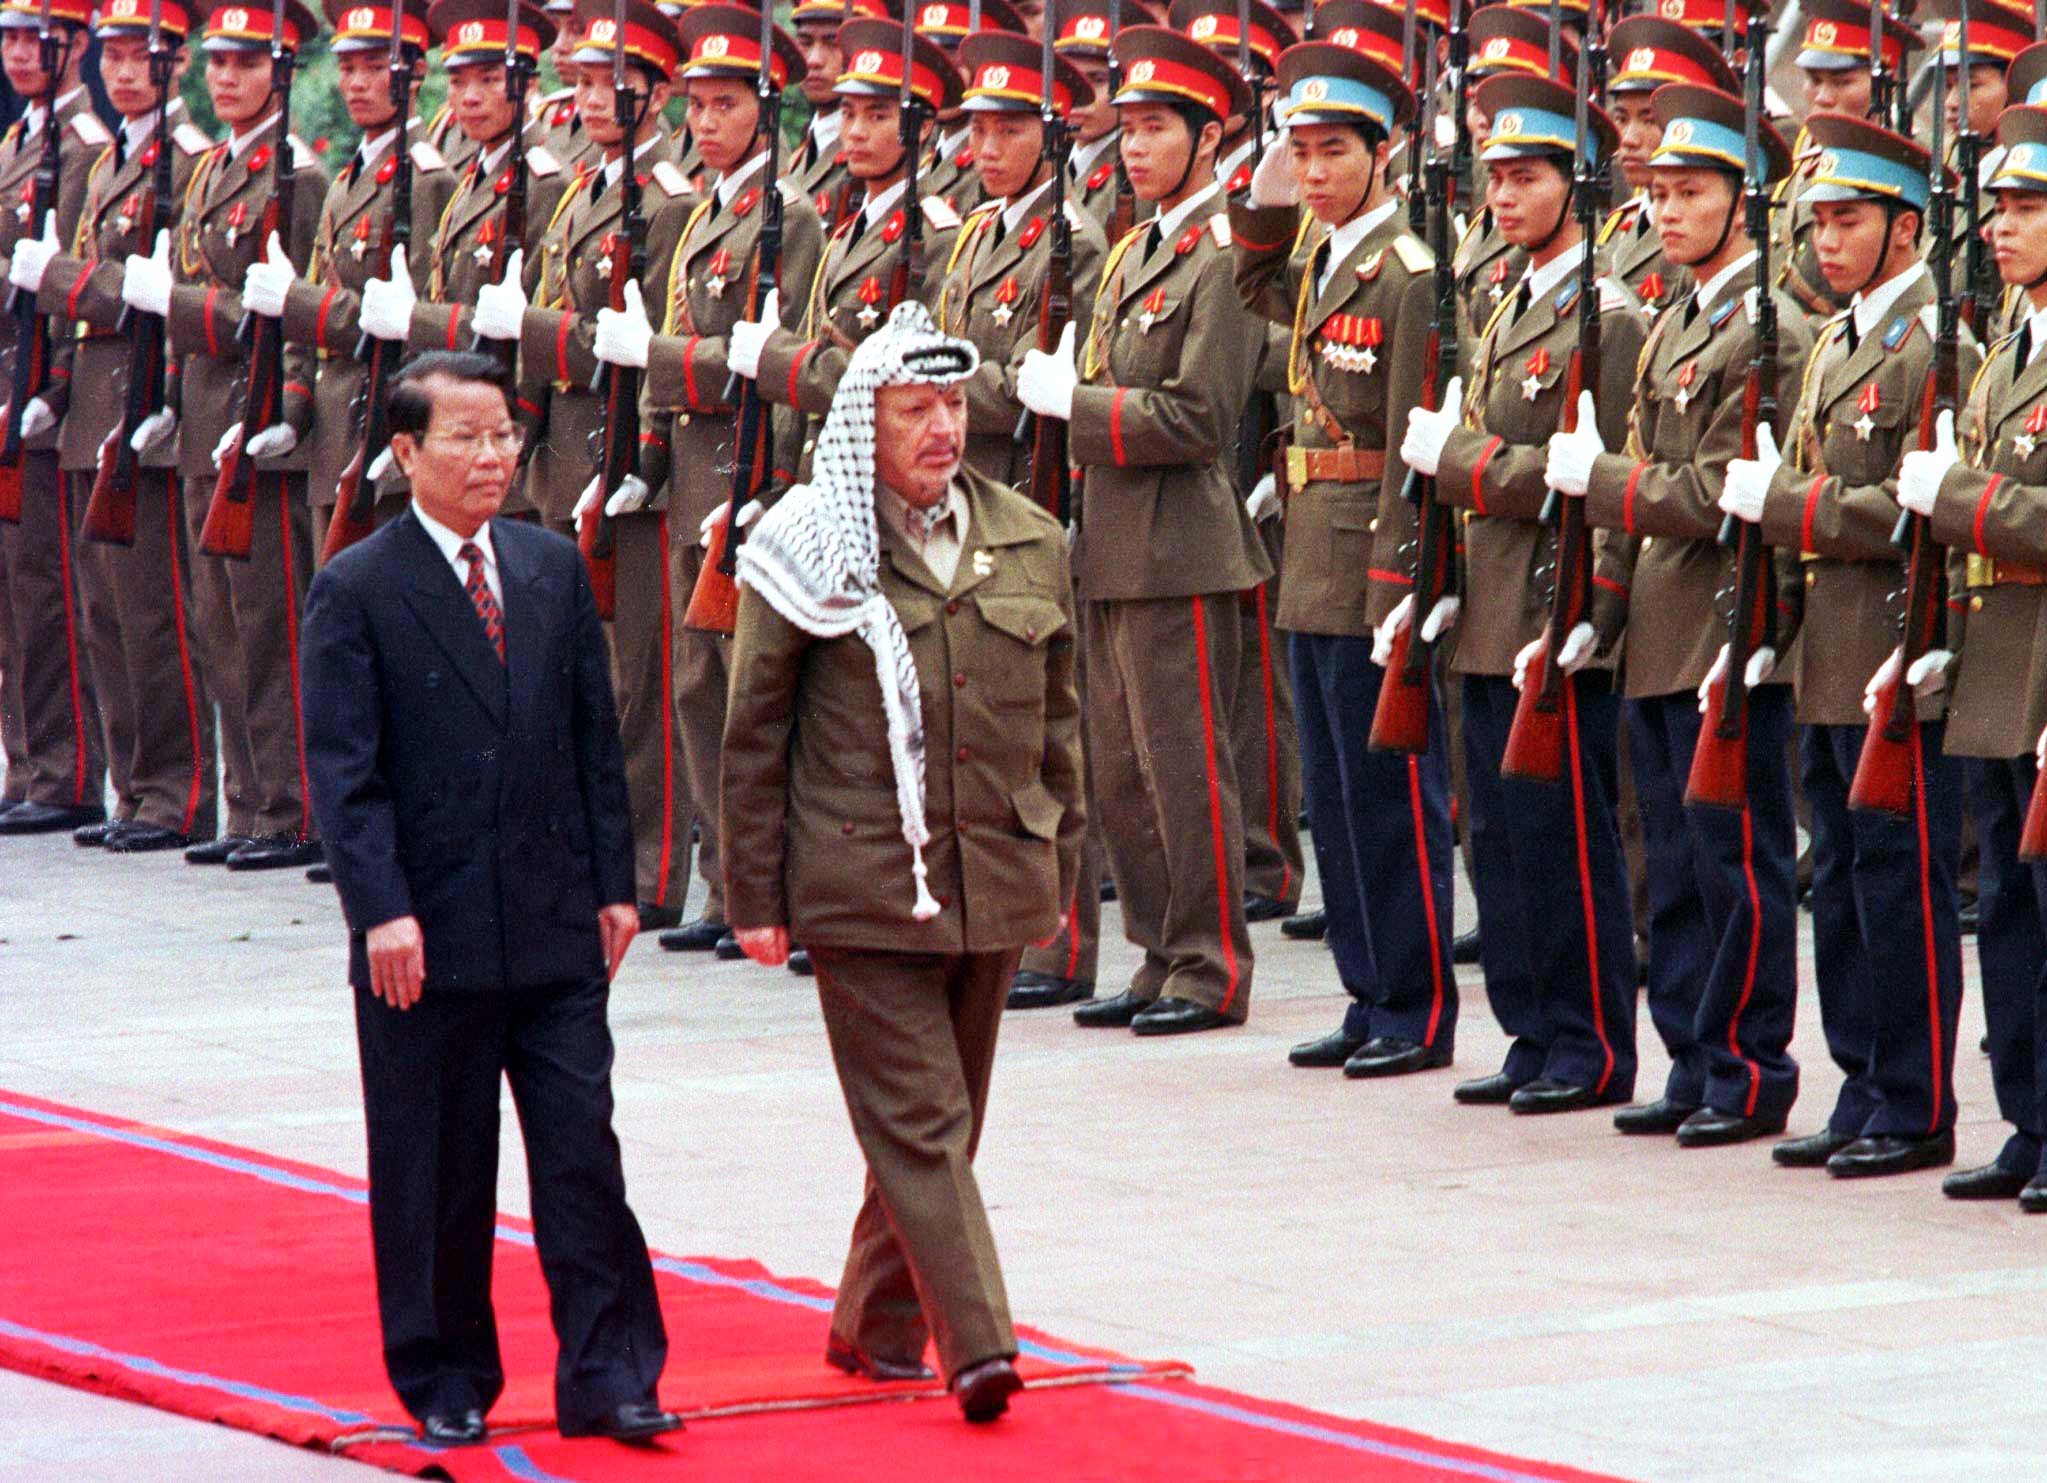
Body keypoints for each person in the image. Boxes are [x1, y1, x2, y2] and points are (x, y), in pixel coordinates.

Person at [302, 350, 677, 1447]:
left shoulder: (549, 566)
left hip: (553, 919)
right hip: (426, 933)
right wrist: (380, 909)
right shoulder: (358, 586)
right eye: (464, 436)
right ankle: (446, 1373)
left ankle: (610, 1372)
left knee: (581, 1153)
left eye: (504, 434)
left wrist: (615, 885)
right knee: (438, 1164)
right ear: (406, 450)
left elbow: (595, 740)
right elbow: (345, 773)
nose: (491, 455)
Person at [721, 303, 1084, 1421]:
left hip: (994, 873)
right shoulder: (807, 543)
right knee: (923, 1122)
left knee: (940, 1122)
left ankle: (873, 1323)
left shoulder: (1029, 535)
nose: (942, 428)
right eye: (913, 409)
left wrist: (1059, 870)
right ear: (861, 427)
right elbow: (753, 731)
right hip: (861, 882)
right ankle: (978, 1347)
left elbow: (1060, 726)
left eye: (953, 404)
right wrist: (754, 895)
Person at [1545, 81, 1812, 1145]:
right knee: (1670, 863)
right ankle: (1692, 1057)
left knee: (1735, 863)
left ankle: (1748, 1066)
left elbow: (1715, 492)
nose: (1666, 211)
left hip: (1722, 624)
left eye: (1691, 192)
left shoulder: (1768, 329)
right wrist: (1599, 612)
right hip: (1657, 626)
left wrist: (1603, 482)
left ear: (1742, 203)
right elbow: (1642, 480)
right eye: (1657, 192)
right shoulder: (1674, 320)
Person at [1721, 112, 1972, 1179]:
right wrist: (1766, 629)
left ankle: (1913, 1102)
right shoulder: (1836, 339)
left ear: (1905, 227)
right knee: (1839, 880)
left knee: (1897, 882)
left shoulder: (1937, 347)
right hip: (1825, 647)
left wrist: (1788, 504)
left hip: (1890, 644)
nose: (1824, 242)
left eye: (1848, 221)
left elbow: (1919, 510)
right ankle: (1861, 1081)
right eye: (1816, 222)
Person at [1018, 22, 1270, 1035]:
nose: (1134, 147)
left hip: (1182, 548)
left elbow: (1201, 416)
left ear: (1209, 139)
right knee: (1120, 772)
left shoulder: (1225, 257)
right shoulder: (1135, 248)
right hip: (1113, 543)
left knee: (1184, 768)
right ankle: (1160, 954)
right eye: (1125, 129)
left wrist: (1073, 408)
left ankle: (1210, 966)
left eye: (1157, 128)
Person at [1403, 68, 1644, 1113]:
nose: (1501, 197)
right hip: (1489, 607)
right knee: (1497, 840)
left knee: (1564, 842)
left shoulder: (1607, 317)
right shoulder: (1508, 301)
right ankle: (1530, 1028)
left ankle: (1589, 1043)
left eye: (1526, 178)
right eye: (1493, 179)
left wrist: (1459, 461)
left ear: (1575, 185)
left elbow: (1585, 472)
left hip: (1552, 603)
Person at [1232, 39, 1456, 1077]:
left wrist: (1398, 583)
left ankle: (1414, 1007)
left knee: (1388, 800)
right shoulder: (1322, 260)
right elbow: (1250, 275)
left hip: (1367, 559)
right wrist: (1264, 187)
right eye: (1302, 151)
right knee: (1331, 797)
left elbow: (1411, 441)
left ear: (1383, 153)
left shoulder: (1407, 274)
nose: (1314, 172)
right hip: (1309, 557)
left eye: (1333, 152)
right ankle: (1368, 994)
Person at [589, 0, 826, 956]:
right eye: (696, 105)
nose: (705, 122)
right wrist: (645, 456)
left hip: (745, 467)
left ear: (767, 111)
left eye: (726, 104)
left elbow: (774, 356)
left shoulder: (788, 217)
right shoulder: (703, 214)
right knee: (697, 689)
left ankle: (774, 889)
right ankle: (727, 888)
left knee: (750, 695)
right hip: (691, 473)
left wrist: (776, 477)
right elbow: (674, 340)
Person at [472, 0, 697, 929]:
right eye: (589, 82)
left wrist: (533, 331)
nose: (592, 97)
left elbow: (633, 341)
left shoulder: (668, 198)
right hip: (564, 450)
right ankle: (589, 850)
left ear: (656, 94)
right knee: (574, 670)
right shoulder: (581, 189)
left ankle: (651, 869)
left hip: (624, 448)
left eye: (614, 84)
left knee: (639, 678)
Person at [123, 0, 332, 871]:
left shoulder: (298, 175)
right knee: (218, 620)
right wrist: (171, 394)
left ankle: (291, 807)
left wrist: (286, 409)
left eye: (246, 64)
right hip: (206, 414)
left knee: (268, 624)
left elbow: (290, 313)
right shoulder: (213, 168)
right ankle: (247, 805)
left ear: (280, 72)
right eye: (217, 63)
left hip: (258, 415)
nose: (226, 78)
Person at [11, 0, 216, 853]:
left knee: (153, 612)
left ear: (175, 64)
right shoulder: (108, 161)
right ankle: (128, 788)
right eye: (116, 56)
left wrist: (60, 280)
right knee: (101, 612)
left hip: (144, 393)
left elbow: (155, 292)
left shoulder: (183, 159)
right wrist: (57, 385)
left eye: (143, 57)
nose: (125, 72)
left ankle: (174, 792)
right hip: (90, 394)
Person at [1898, 103, 2047, 1208]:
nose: (2000, 227)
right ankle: (2029, 1120)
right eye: (1997, 207)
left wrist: (1958, 498)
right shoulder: (2005, 351)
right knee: (2003, 903)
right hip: (1995, 655)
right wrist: (1939, 641)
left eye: (2027, 208)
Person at [244, 0, 455, 557]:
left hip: (383, 426)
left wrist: (296, 300)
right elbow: (317, 302)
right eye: (347, 68)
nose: (356, 83)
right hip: (333, 428)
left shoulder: (428, 180)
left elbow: (415, 321)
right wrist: (292, 409)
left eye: (375, 68)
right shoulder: (347, 181)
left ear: (414, 73)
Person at [0, 0, 106, 836]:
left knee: (47, 590)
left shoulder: (85, 146)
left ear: (73, 46)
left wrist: (57, 386)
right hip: (8, 375)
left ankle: (66, 770)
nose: (19, 53)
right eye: (8, 38)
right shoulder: (18, 141)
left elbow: (76, 276)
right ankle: (29, 761)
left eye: (35, 39)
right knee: (12, 591)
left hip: (41, 382)